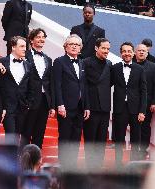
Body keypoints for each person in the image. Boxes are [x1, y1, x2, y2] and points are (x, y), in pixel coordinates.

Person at [53, 34, 90, 169]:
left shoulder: (81, 63)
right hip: (66, 107)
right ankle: (63, 165)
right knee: (65, 137)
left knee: (75, 138)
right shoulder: (59, 61)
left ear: (80, 48)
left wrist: (87, 106)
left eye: (77, 45)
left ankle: (72, 166)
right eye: (71, 44)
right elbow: (56, 84)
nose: (74, 46)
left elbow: (84, 86)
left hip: (80, 107)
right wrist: (60, 104)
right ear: (65, 46)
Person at [111, 42, 147, 167]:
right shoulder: (114, 68)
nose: (127, 53)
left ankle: (134, 164)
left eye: (129, 51)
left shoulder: (140, 69)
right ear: (121, 53)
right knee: (119, 138)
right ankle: (118, 165)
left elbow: (143, 91)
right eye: (124, 51)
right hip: (120, 109)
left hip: (136, 110)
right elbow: (106, 85)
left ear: (133, 53)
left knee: (136, 138)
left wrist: (142, 111)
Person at [22, 28, 55, 149]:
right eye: (38, 37)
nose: (41, 39)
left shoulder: (48, 59)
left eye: (43, 37)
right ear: (31, 40)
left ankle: (36, 158)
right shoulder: (24, 55)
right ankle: (23, 157)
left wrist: (52, 105)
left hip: (44, 100)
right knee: (26, 131)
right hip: (29, 99)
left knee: (40, 132)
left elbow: (49, 83)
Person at [83, 38, 112, 170]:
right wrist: (86, 106)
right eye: (104, 48)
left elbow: (109, 83)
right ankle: (89, 167)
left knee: (101, 141)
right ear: (96, 48)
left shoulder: (109, 64)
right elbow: (83, 85)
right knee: (90, 140)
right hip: (91, 107)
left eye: (108, 49)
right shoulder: (86, 62)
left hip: (105, 108)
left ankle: (98, 168)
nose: (106, 51)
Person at [0, 36, 35, 136]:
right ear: (13, 47)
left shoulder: (28, 65)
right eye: (22, 46)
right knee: (10, 135)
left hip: (22, 107)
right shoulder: (1, 63)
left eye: (25, 46)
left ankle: (14, 152)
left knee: (17, 136)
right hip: (7, 106)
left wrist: (28, 104)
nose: (25, 49)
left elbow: (31, 86)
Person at [135, 44, 155, 159]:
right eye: (139, 50)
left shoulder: (153, 67)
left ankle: (143, 150)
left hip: (147, 103)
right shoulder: (130, 65)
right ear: (135, 52)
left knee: (145, 127)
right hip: (131, 103)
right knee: (134, 126)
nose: (141, 52)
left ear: (147, 53)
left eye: (144, 51)